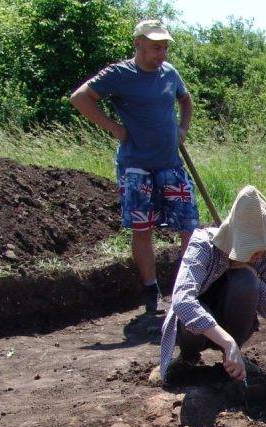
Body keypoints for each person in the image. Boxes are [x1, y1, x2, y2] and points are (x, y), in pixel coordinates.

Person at [70, 19, 198, 313]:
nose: (161, 54)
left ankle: (187, 290)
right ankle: (151, 292)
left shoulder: (169, 73)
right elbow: (80, 98)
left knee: (189, 226)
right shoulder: (119, 74)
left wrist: (182, 130)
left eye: (164, 47)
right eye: (155, 47)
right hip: (137, 167)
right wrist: (114, 128)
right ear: (138, 43)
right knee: (143, 229)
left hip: (171, 164)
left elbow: (186, 100)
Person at [155, 185, 266, 386]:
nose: (259, 253)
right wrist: (227, 343)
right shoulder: (203, 245)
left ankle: (232, 356)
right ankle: (187, 358)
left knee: (246, 281)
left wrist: (250, 271)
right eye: (251, 246)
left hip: (233, 322)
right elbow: (182, 301)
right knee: (190, 313)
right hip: (195, 332)